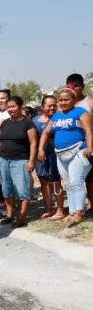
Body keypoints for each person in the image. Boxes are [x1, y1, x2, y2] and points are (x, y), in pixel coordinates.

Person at [39, 87, 92, 224]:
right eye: (60, 100)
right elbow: (45, 132)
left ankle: (80, 212)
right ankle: (72, 212)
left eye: (66, 99)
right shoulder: (57, 116)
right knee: (68, 184)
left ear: (74, 100)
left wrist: (90, 147)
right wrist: (41, 149)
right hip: (61, 154)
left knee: (76, 182)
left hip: (79, 151)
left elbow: (88, 130)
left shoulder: (81, 112)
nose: (63, 102)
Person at [0, 96, 38, 228]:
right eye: (9, 107)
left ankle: (21, 217)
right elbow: (1, 140)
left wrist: (31, 161)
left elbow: (33, 143)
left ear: (20, 107)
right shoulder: (5, 123)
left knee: (22, 190)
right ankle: (9, 215)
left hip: (20, 160)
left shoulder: (28, 123)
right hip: (4, 160)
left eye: (13, 106)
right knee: (7, 189)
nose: (11, 109)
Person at [33, 95, 65, 220]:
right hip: (40, 158)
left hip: (56, 155)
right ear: (42, 107)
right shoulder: (35, 121)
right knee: (44, 182)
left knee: (57, 181)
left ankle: (60, 209)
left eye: (54, 105)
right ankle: (48, 209)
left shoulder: (60, 119)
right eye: (49, 105)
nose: (52, 107)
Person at [66, 74, 93, 213]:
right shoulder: (65, 104)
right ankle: (77, 208)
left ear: (82, 87)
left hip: (87, 146)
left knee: (90, 178)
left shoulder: (89, 102)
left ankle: (90, 205)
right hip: (70, 149)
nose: (73, 89)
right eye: (70, 86)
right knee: (75, 179)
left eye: (76, 86)